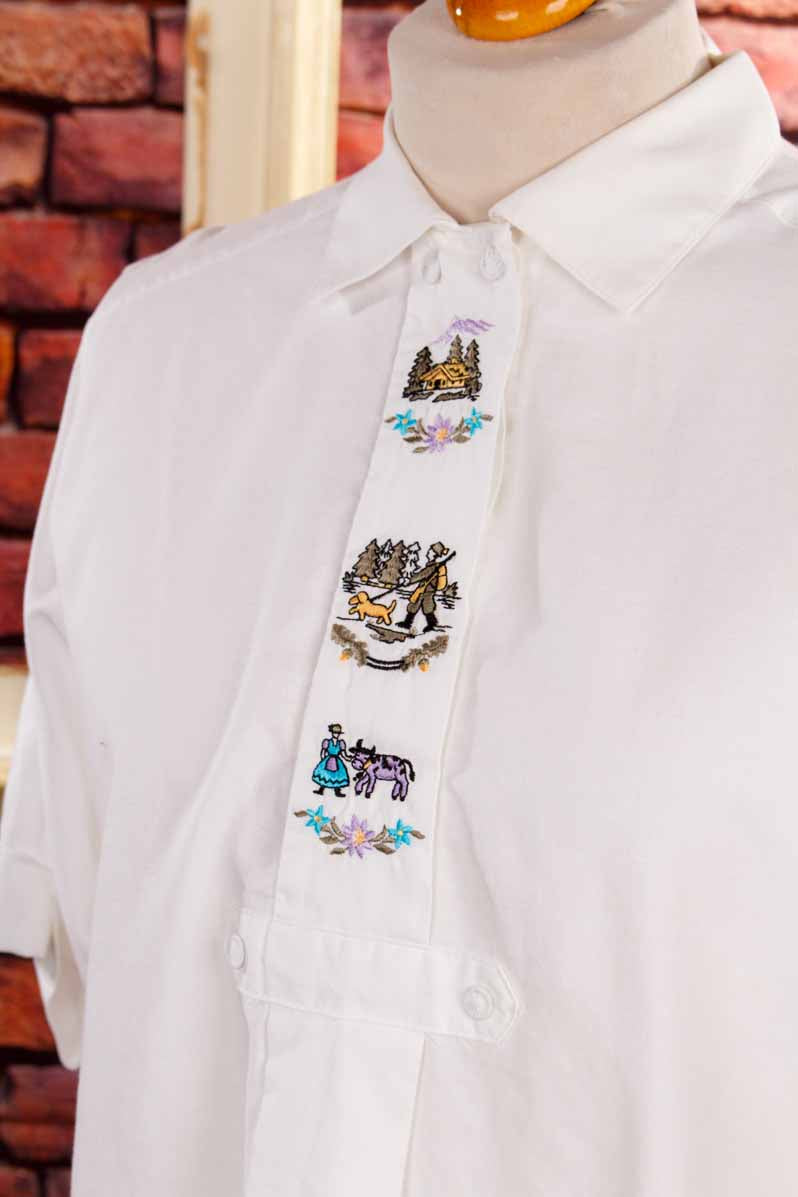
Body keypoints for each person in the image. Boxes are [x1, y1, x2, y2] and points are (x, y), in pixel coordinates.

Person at [397, 542, 449, 633]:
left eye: (430, 551)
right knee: (417, 605)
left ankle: (430, 624)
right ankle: (408, 622)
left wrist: (409, 580)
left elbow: (420, 575)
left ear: (434, 554)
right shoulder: (432, 566)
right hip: (424, 590)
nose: (428, 552)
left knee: (425, 607)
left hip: (427, 591)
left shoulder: (432, 567)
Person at [311, 723, 350, 796]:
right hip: (328, 759)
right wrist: (323, 760)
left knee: (337, 776)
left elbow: (343, 754)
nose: (336, 734)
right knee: (325, 775)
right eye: (335, 733)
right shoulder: (327, 742)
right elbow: (323, 752)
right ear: (332, 733)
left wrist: (348, 758)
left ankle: (337, 792)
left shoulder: (341, 743)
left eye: (338, 733)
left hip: (337, 761)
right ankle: (321, 790)